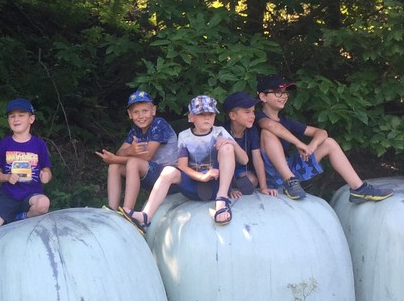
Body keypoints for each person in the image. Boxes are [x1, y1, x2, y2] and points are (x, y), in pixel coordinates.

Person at [255, 73, 392, 203]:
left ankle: (359, 189)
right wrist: (299, 143)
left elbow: (321, 132)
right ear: (263, 97)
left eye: (285, 93)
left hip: (289, 168)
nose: (284, 96)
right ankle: (289, 180)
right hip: (269, 177)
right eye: (278, 92)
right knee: (268, 133)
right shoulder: (256, 117)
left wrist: (312, 146)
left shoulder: (286, 121)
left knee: (329, 143)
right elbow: (270, 125)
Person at [120, 95, 246, 230]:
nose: (207, 118)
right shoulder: (184, 136)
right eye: (201, 114)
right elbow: (182, 166)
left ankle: (222, 200)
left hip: (216, 183)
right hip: (194, 184)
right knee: (169, 171)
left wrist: (232, 143)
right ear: (191, 117)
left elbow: (244, 160)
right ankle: (146, 216)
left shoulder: (220, 132)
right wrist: (201, 177)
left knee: (227, 147)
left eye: (210, 114)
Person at [96, 90, 178, 214]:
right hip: (150, 174)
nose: (141, 116)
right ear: (130, 114)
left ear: (153, 110)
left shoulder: (159, 124)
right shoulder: (136, 129)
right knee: (114, 166)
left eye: (145, 111)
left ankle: (127, 211)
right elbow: (120, 152)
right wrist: (130, 150)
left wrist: (116, 159)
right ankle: (111, 209)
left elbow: (147, 156)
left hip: (167, 177)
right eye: (136, 112)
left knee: (132, 163)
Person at [0, 98, 52, 232]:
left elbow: (46, 170)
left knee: (43, 203)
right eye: (12, 116)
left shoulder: (39, 144)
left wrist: (46, 176)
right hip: (9, 196)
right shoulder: (4, 144)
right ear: (8, 120)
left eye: (21, 115)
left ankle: (21, 217)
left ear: (31, 119)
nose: (16, 119)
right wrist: (7, 177)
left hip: (32, 195)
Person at [222, 90, 277, 199]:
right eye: (247, 112)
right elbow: (217, 162)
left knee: (252, 180)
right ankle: (227, 186)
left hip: (241, 169)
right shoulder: (223, 131)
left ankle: (236, 182)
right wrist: (229, 190)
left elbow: (257, 158)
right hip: (223, 168)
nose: (252, 116)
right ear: (233, 116)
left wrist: (264, 187)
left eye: (253, 112)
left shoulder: (252, 131)